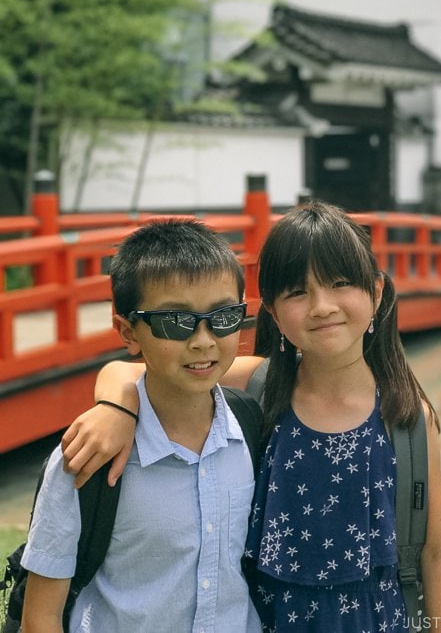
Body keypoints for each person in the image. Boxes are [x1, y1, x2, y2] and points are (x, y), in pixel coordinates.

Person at [62, 201, 441, 631]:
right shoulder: (259, 386)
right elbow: (126, 369)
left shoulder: (406, 418)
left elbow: (437, 554)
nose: (322, 306)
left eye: (341, 283)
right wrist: (117, 407)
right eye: (297, 292)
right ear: (271, 311)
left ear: (377, 293)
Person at [21, 218, 261, 633]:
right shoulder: (86, 458)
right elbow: (40, 617)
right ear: (129, 332)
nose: (203, 340)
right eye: (175, 321)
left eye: (223, 316)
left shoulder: (252, 431)